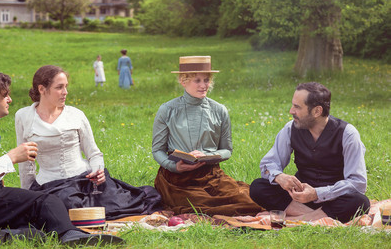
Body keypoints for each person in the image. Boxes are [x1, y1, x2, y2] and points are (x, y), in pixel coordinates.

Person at [0, 70, 124, 246]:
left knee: (34, 218)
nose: (10, 100)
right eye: (4, 95)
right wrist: (12, 157)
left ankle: (14, 235)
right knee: (48, 202)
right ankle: (71, 236)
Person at [15, 65, 161, 218]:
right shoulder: (24, 116)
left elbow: (94, 153)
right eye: (59, 87)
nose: (65, 92)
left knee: (124, 203)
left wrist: (98, 171)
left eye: (66, 87)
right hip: (50, 184)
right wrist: (27, 197)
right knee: (64, 206)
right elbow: (25, 161)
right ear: (42, 89)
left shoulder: (76, 115)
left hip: (83, 180)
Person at [152, 55, 261, 216]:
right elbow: (157, 150)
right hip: (176, 180)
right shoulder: (167, 110)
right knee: (200, 207)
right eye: (197, 80)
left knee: (250, 200)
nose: (204, 85)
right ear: (183, 81)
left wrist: (207, 155)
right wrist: (174, 166)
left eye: (206, 80)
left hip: (210, 175)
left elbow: (227, 150)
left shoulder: (219, 110)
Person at [249, 82, 370, 223]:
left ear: (317, 111)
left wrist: (316, 194)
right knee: (258, 187)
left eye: (297, 107)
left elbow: (358, 183)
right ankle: (314, 218)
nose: (291, 111)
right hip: (299, 199)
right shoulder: (290, 129)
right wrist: (279, 177)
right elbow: (269, 163)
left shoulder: (348, 134)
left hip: (334, 199)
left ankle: (298, 220)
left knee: (360, 202)